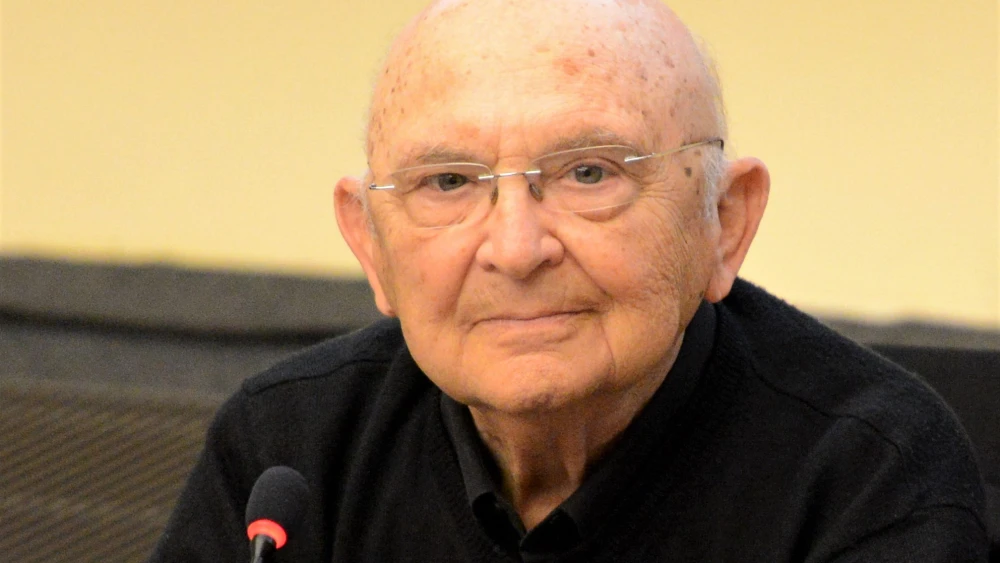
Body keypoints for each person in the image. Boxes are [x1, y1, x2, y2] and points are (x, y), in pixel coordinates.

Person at [150, 0, 990, 561]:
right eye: (448, 182)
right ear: (371, 242)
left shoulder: (866, 477)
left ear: (725, 222)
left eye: (590, 172)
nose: (515, 249)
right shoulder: (286, 451)